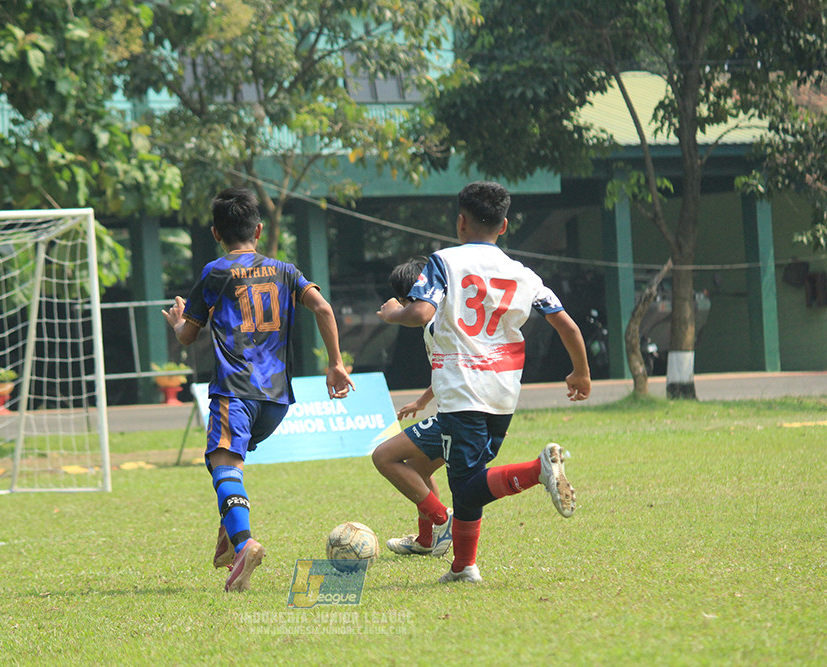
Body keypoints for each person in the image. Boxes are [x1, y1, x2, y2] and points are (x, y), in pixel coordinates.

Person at [377, 181, 591, 584]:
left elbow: (422, 312)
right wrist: (581, 371)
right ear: (505, 225)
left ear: (460, 222)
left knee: (467, 486)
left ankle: (537, 471)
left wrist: (391, 314)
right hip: (503, 395)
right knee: (466, 480)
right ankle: (463, 567)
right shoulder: (523, 274)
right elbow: (567, 325)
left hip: (463, 393)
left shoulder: (445, 262)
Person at [163, 187, 355, 592]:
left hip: (234, 392)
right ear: (259, 228)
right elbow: (322, 307)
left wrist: (179, 319)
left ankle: (243, 542)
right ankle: (229, 534)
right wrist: (335, 363)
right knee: (221, 463)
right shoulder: (286, 270)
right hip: (276, 401)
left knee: (225, 468)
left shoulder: (216, 272)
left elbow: (187, 337)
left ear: (216, 233)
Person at [371, 257, 452, 558]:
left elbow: (417, 315)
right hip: (454, 411)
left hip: (458, 417)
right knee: (418, 468)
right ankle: (427, 539)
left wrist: (394, 313)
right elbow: (449, 369)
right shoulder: (441, 320)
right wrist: (422, 401)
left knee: (384, 457)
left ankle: (443, 519)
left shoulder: (433, 322)